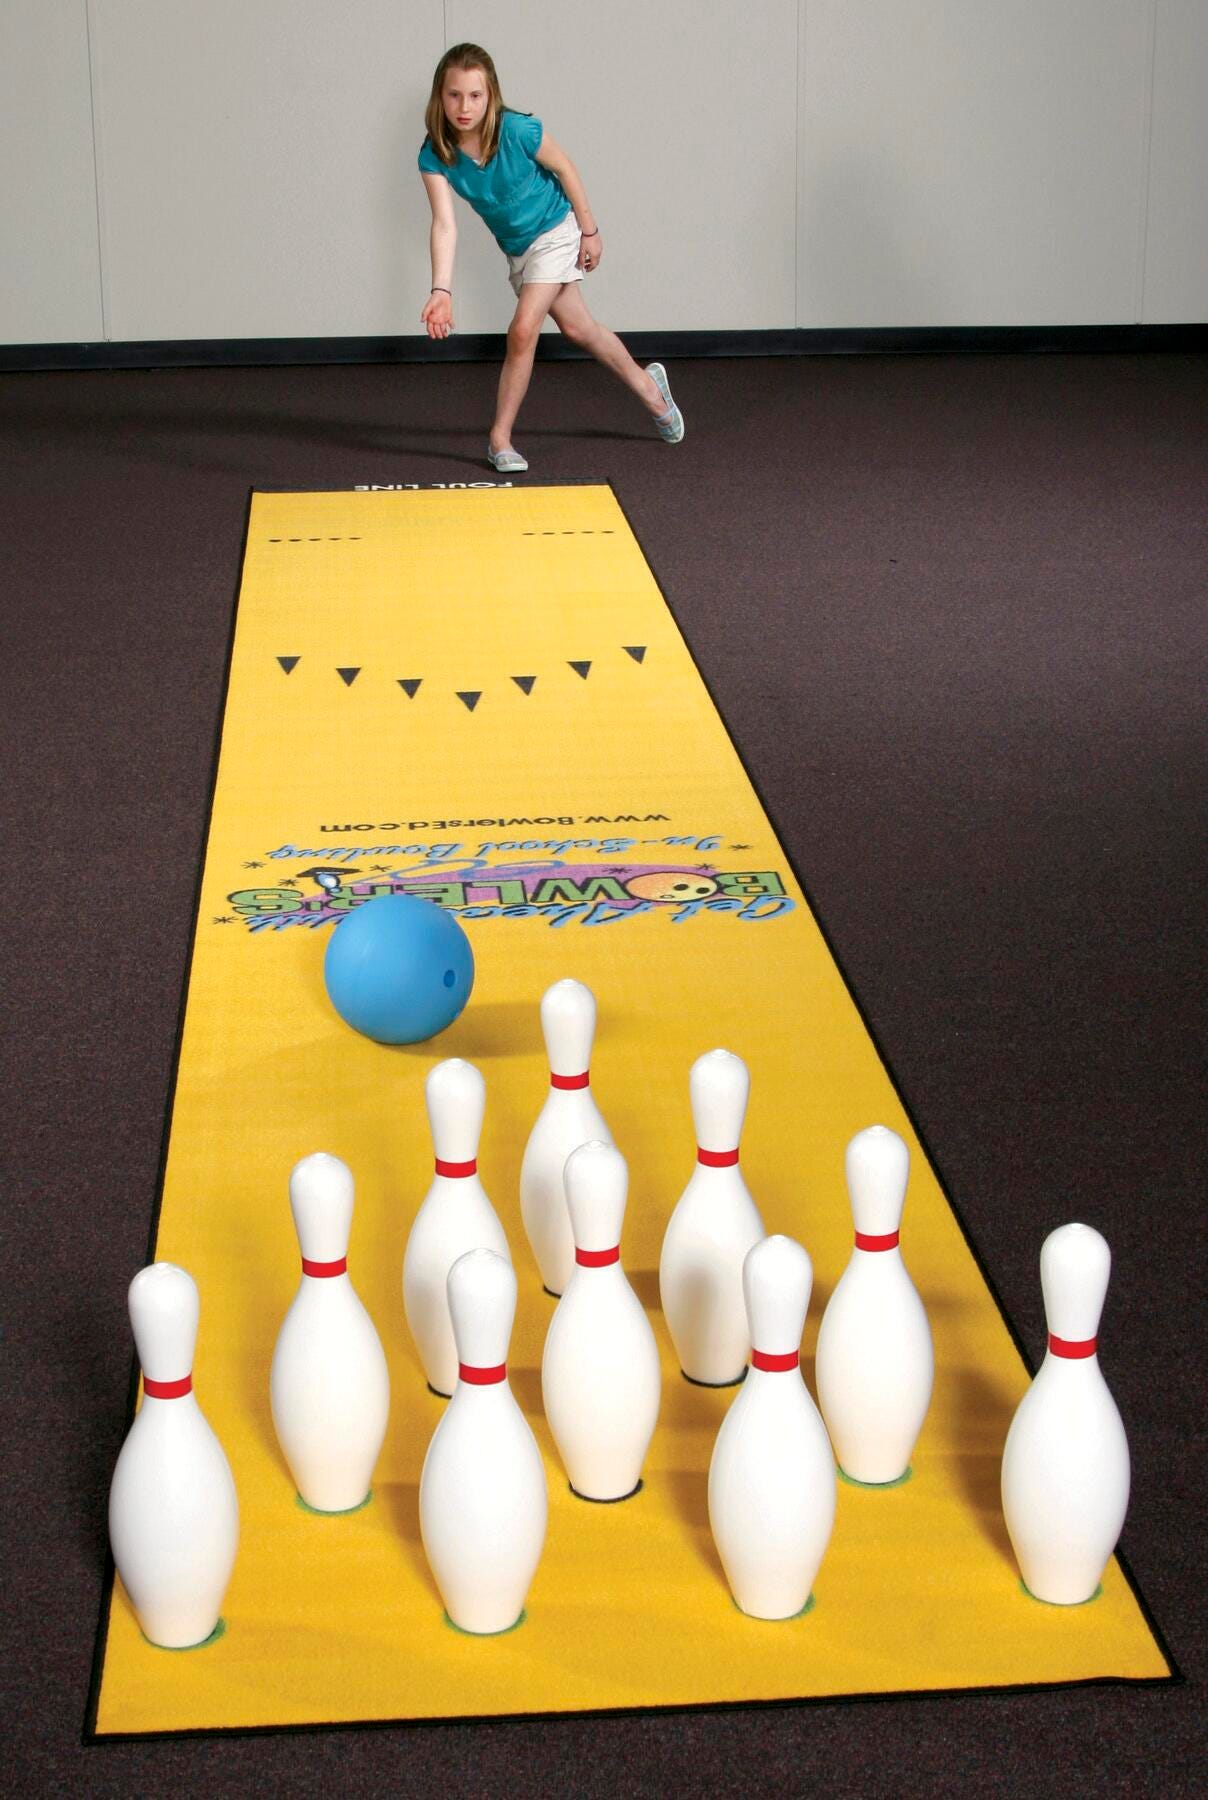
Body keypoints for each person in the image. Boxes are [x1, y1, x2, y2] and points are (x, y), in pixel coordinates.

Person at [418, 44, 684, 473]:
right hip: (520, 249)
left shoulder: (517, 130)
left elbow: (565, 168)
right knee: (580, 329)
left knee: (523, 329)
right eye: (454, 95)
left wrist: (590, 230)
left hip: (557, 230)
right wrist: (441, 290)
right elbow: (444, 225)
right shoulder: (436, 153)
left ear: (491, 96)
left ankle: (499, 439)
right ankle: (647, 384)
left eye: (475, 96)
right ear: (439, 96)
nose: (464, 107)